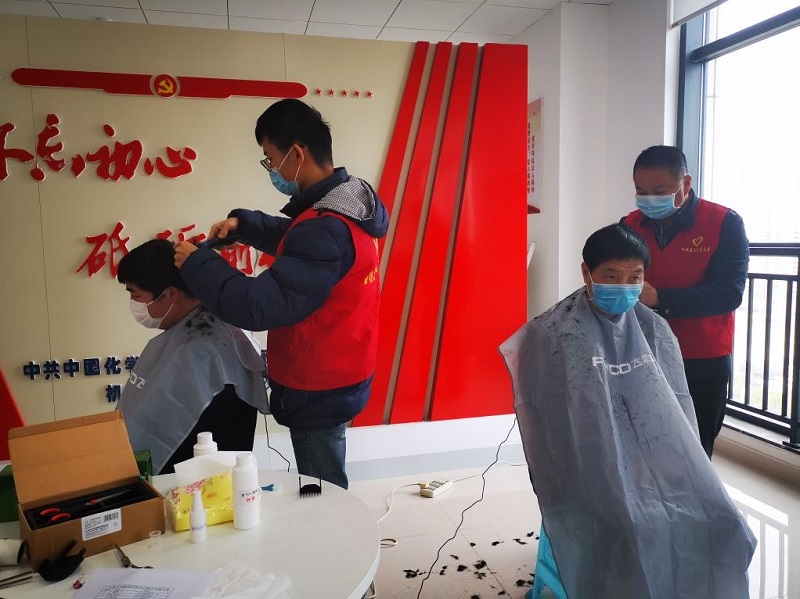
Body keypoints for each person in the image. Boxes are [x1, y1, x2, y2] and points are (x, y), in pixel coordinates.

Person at [500, 224, 756, 599]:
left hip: (653, 462)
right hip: (587, 467)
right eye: (611, 276)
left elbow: (674, 410)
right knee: (630, 527)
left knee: (724, 521)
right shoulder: (551, 334)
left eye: (634, 277)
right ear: (586, 272)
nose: (623, 286)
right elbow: (548, 426)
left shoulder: (655, 329)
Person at [174, 99, 388, 489]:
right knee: (325, 473)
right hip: (346, 361)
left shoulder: (324, 228)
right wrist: (245, 226)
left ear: (297, 154)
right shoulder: (350, 202)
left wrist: (198, 264)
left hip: (318, 381)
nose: (272, 169)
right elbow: (301, 243)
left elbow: (258, 305)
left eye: (271, 159)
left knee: (322, 488)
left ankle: (329, 529)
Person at [622, 145, 749, 457]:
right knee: (644, 443)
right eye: (641, 191)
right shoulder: (629, 225)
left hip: (702, 357)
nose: (649, 199)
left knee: (696, 449)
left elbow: (729, 294)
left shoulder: (723, 223)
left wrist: (660, 298)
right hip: (644, 352)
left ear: (686, 183)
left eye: (659, 191)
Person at [116, 239, 269, 475]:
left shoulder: (202, 350)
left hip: (200, 477)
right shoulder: (210, 328)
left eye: (136, 296)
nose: (134, 305)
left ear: (170, 294)